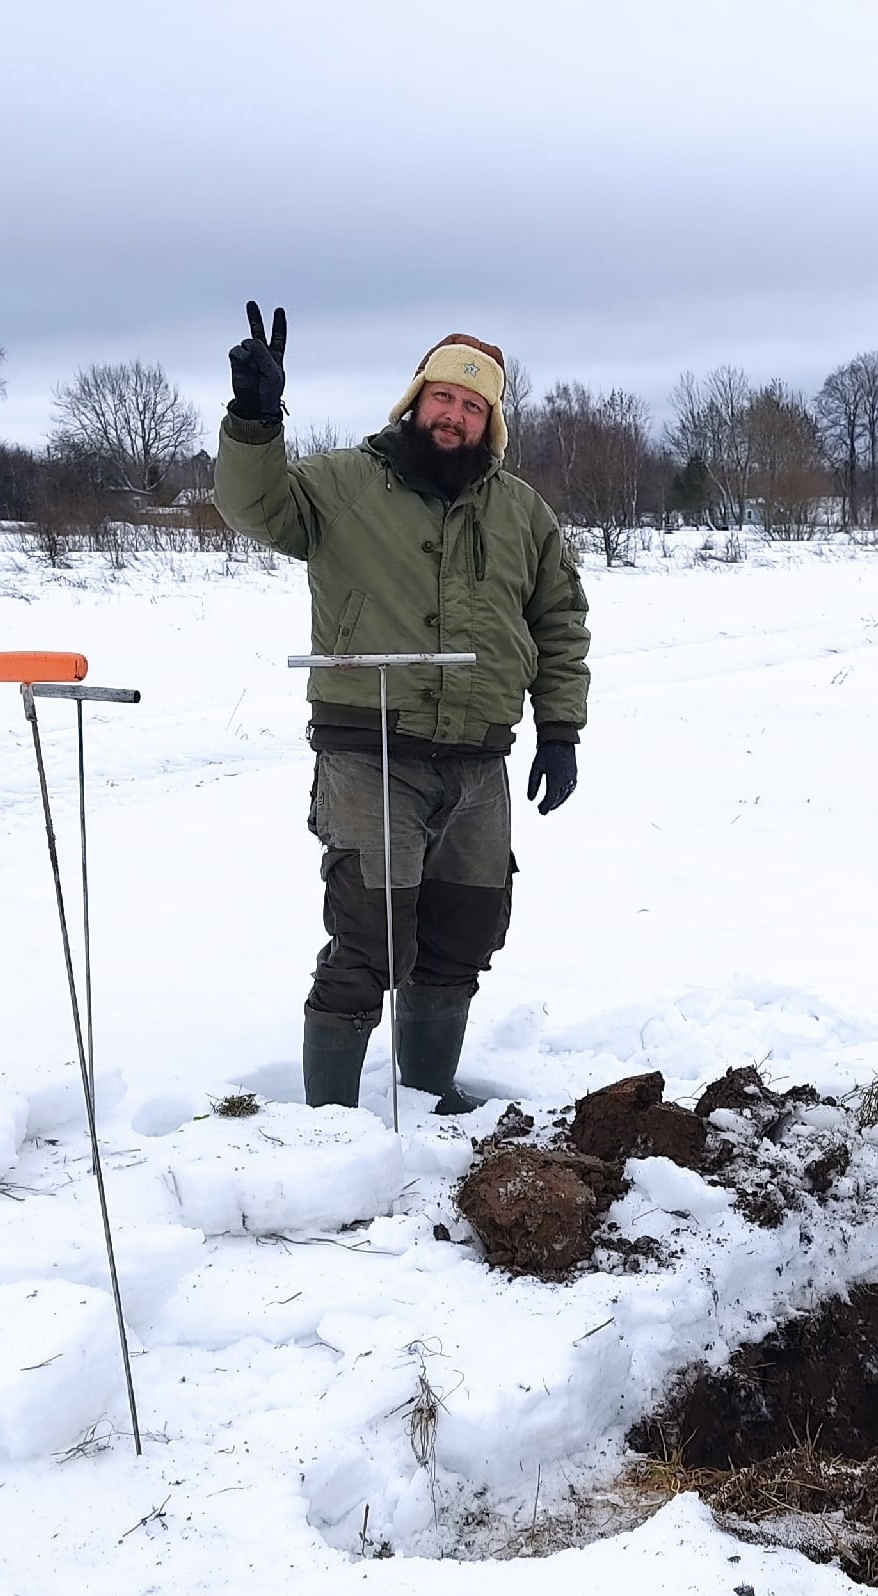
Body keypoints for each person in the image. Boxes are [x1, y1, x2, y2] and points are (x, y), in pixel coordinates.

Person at [214, 304, 591, 1109]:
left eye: (473, 405)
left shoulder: (521, 510)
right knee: (368, 935)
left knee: (463, 933)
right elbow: (257, 508)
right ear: (414, 400)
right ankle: (330, 1126)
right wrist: (254, 420)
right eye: (443, 397)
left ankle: (427, 1094)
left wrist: (560, 731)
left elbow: (559, 619)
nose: (453, 415)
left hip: (480, 759)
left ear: (489, 422)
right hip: (370, 748)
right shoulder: (345, 484)